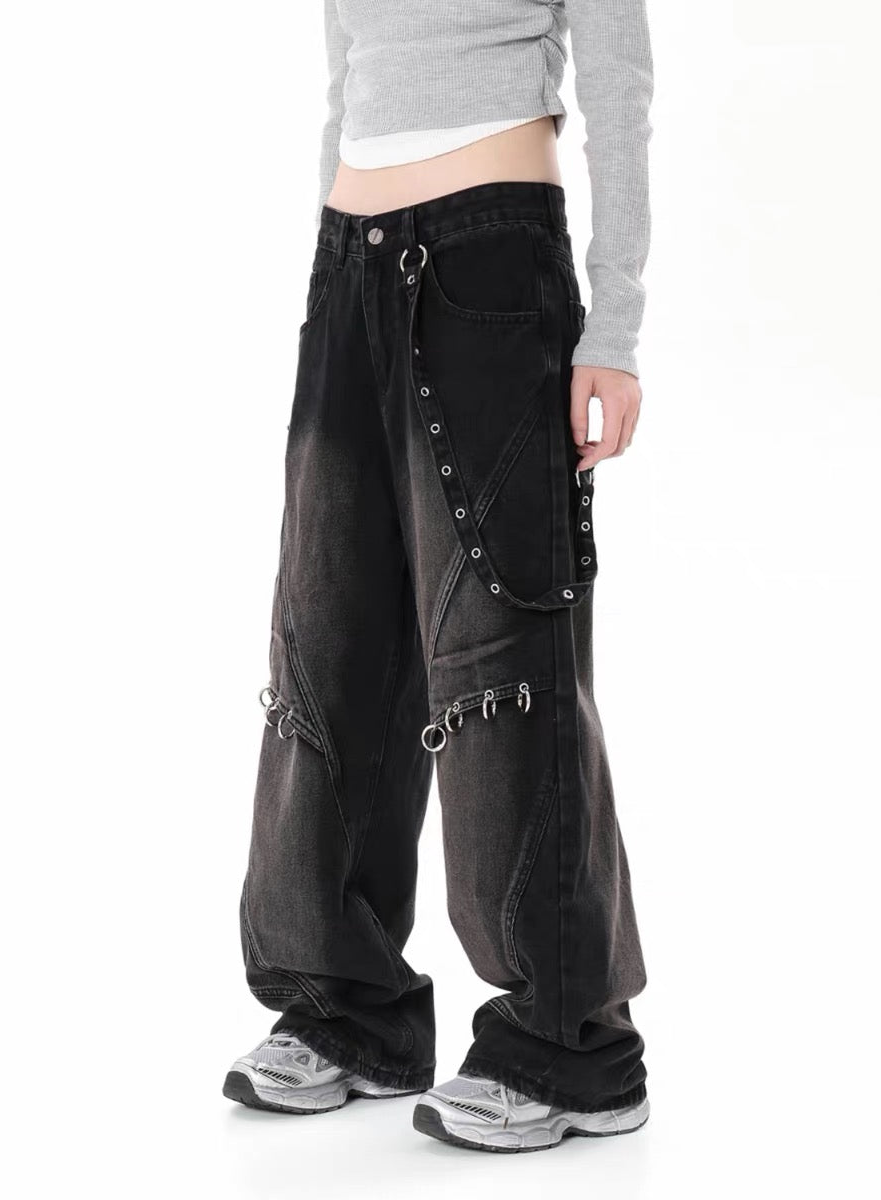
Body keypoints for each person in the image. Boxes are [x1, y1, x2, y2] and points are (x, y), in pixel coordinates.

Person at [224, 0, 653, 1154]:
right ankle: (344, 1007)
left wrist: (614, 330)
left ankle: (571, 1045)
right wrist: (330, 288)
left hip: (491, 259)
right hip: (348, 261)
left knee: (501, 648)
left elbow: (618, 88)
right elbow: (346, 81)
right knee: (329, 637)